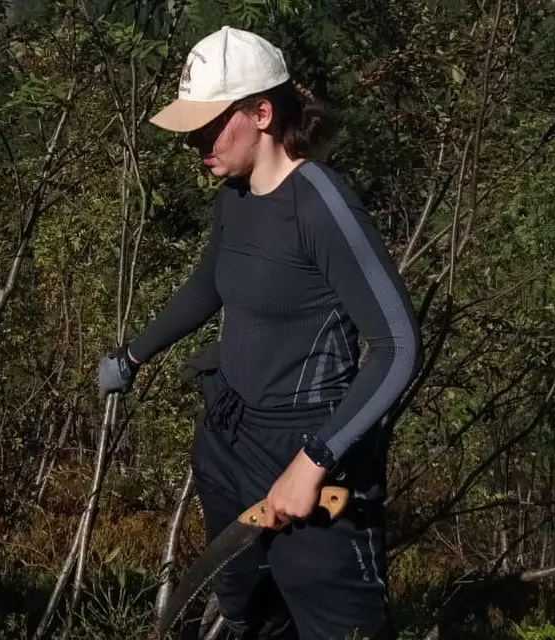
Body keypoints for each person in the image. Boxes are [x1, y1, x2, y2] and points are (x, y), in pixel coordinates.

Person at [97, 26, 422, 640]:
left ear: (262, 112)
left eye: (208, 124)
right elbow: (207, 287)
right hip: (229, 439)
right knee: (250, 612)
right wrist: (133, 355)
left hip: (310, 453)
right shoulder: (236, 194)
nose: (196, 141)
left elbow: (398, 345)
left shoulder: (321, 206)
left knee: (337, 625)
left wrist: (314, 460)